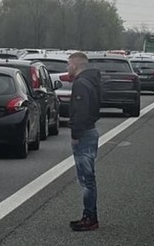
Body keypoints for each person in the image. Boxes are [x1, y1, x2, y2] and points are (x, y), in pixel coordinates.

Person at [67, 52, 101, 231]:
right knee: (88, 177)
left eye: (69, 64)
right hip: (91, 130)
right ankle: (89, 214)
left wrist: (75, 134)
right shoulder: (92, 81)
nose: (67, 68)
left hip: (84, 134)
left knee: (86, 178)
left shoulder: (80, 84)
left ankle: (90, 217)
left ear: (76, 65)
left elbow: (81, 112)